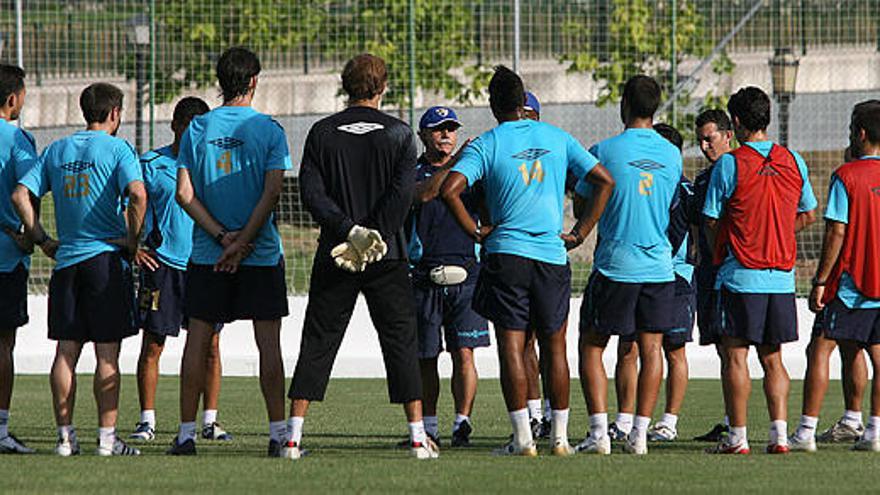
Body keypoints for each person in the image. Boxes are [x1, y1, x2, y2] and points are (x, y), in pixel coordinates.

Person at [442, 65, 614, 456]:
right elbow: (605, 180)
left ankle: (522, 439)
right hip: (551, 255)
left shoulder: (488, 142)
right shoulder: (557, 137)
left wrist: (474, 230)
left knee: (512, 346)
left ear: (492, 105)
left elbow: (451, 189)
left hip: (506, 255)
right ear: (524, 103)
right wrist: (582, 232)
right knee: (556, 346)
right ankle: (560, 439)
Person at [286, 53, 436, 460]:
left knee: (318, 340)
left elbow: (313, 195)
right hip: (388, 255)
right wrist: (375, 236)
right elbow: (402, 195)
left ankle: (293, 438)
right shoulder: (401, 134)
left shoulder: (321, 132)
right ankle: (419, 439)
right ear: (383, 86)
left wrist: (349, 232)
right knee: (402, 342)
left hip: (336, 253)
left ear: (344, 84)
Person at [12, 82, 147, 457]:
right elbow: (137, 194)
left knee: (66, 351)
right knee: (107, 354)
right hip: (105, 260)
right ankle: (107, 439)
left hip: (68, 262)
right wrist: (133, 242)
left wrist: (41, 238)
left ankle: (65, 438)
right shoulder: (119, 148)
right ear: (115, 113)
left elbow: (20, 194)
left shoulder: (58, 148)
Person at [169, 47, 291, 456]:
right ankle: (278, 436)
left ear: (220, 82)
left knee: (197, 342)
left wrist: (223, 238)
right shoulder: (270, 129)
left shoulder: (197, 128)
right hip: (259, 253)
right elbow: (273, 191)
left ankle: (186, 436)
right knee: (268, 345)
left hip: (209, 254)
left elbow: (184, 193)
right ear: (254, 80)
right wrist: (242, 241)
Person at [703, 86, 817, 455]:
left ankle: (737, 438)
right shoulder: (794, 160)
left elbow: (710, 219)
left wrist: (740, 235)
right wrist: (780, 230)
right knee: (773, 359)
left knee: (736, 356)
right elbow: (809, 213)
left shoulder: (729, 163)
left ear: (734, 123)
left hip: (740, 274)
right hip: (781, 277)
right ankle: (780, 436)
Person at [575, 75, 682, 456]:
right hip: (659, 265)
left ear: (624, 105)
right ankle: (639, 435)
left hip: (616, 263)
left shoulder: (603, 150)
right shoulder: (672, 153)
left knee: (591, 344)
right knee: (651, 349)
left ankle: (599, 433)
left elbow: (584, 200)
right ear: (655, 109)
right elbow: (669, 203)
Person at [128, 97, 233, 443]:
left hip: (204, 264)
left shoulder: (213, 165)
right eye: (186, 131)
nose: (191, 139)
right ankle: (147, 421)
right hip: (163, 266)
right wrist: (135, 247)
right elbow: (128, 207)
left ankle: (210, 421)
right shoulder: (151, 163)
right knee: (154, 344)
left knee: (211, 345)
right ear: (174, 127)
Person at [792, 101, 880, 452]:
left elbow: (837, 232)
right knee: (874, 353)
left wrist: (821, 280)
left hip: (851, 283)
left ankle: (805, 432)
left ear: (859, 133)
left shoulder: (847, 175)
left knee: (820, 348)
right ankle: (872, 430)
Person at [407, 106, 489, 448]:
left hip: (468, 276)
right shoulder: (413, 173)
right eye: (438, 129)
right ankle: (429, 428)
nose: (446, 134)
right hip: (424, 277)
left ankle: (462, 424)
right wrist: (460, 160)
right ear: (423, 135)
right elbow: (425, 193)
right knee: (426, 357)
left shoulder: (472, 173)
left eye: (451, 129)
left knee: (464, 352)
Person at [0, 64, 47, 454]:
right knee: (3, 346)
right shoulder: (18, 141)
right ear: (13, 99)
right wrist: (36, 236)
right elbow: (24, 195)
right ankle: (0, 430)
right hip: (6, 259)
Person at [691, 109, 735, 442]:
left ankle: (739, 424)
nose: (706, 146)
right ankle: (730, 418)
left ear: (728, 135)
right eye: (701, 140)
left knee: (739, 349)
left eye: (711, 138)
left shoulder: (740, 170)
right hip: (708, 274)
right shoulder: (704, 180)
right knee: (722, 348)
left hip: (733, 271)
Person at [521, 90, 553, 438]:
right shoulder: (505, 146)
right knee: (524, 342)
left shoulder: (554, 147)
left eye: (531, 114)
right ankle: (532, 414)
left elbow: (589, 184)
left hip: (547, 256)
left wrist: (579, 231)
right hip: (515, 254)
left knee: (550, 341)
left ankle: (552, 417)